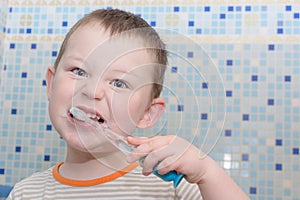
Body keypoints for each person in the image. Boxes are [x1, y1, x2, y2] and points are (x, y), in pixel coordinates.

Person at [7, 9, 249, 199]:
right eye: (78, 71)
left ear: (147, 113)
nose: (91, 91)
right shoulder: (25, 193)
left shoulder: (171, 188)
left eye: (119, 84)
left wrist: (207, 173)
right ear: (51, 83)